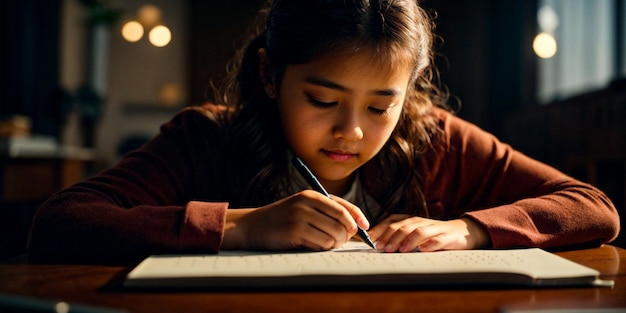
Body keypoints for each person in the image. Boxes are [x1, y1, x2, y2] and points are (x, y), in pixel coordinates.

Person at [28, 0, 619, 259]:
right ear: (269, 74)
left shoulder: (438, 138)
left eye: (380, 107)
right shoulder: (206, 138)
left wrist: (469, 231)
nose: (352, 132)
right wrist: (238, 227)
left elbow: (594, 208)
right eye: (321, 98)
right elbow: (60, 223)